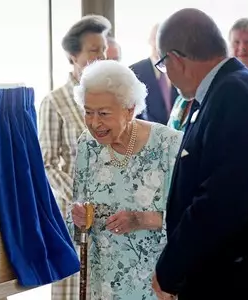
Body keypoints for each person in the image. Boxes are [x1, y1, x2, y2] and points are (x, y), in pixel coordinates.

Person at [151, 8, 248, 300]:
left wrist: (170, 268)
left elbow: (219, 203)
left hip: (242, 278)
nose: (167, 77)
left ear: (175, 59)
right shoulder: (236, 86)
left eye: (163, 66)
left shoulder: (233, 96)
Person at [68, 60, 183, 300]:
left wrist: (140, 219)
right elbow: (79, 217)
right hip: (103, 283)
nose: (94, 123)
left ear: (129, 109)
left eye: (104, 114)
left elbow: (187, 218)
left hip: (155, 282)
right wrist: (78, 218)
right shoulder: (87, 145)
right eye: (88, 112)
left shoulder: (168, 145)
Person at [38, 15, 111, 300]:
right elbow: (45, 163)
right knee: (72, 291)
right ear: (73, 56)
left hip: (111, 214)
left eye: (104, 49)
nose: (102, 56)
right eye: (94, 50)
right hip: (73, 216)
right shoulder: (54, 102)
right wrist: (81, 196)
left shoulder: (113, 99)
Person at [130, 23, 178, 124]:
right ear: (150, 40)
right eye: (156, 39)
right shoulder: (135, 70)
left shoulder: (179, 70)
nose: (161, 45)